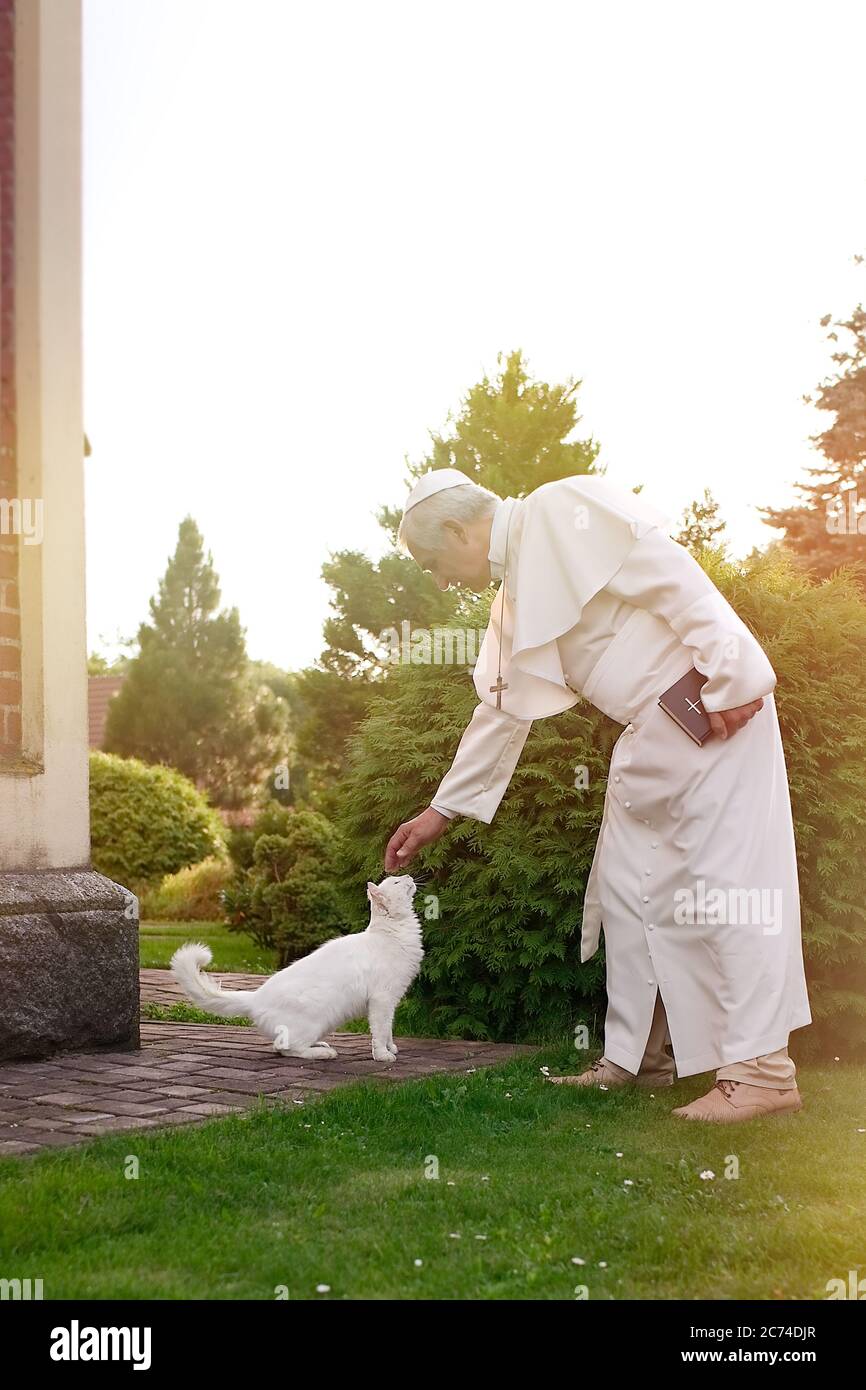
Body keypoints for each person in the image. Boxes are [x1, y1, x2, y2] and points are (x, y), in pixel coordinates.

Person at [384, 468, 811, 1123]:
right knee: (630, 894)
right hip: (652, 740)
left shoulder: (559, 508)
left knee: (729, 886)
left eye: (433, 564)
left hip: (713, 713)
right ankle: (640, 1059)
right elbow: (502, 713)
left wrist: (736, 675)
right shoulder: (512, 599)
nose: (441, 582)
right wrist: (439, 812)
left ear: (456, 531)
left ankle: (762, 1074)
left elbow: (674, 576)